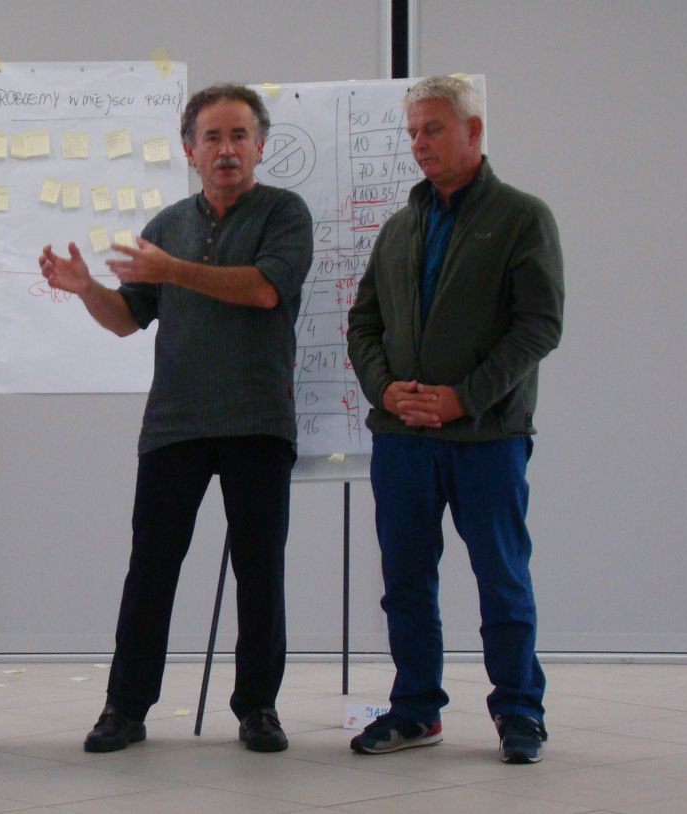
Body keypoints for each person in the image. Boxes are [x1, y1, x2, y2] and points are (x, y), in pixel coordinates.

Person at [39, 83, 313, 753]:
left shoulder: (285, 212)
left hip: (257, 420)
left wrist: (171, 271)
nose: (227, 149)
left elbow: (263, 288)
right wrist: (87, 290)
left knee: (259, 571)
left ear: (260, 146)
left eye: (239, 135)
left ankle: (258, 709)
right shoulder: (166, 226)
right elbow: (127, 320)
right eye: (212, 137)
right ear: (189, 150)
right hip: (174, 423)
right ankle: (125, 708)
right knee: (152, 569)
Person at [346, 75, 563, 764]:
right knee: (406, 582)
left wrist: (464, 397)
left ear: (473, 131)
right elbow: (363, 323)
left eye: (432, 129)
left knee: (502, 578)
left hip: (487, 438)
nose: (419, 143)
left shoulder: (522, 217)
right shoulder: (400, 228)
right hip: (402, 440)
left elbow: (539, 326)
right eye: (412, 131)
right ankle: (416, 710)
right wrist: (387, 392)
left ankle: (520, 711)